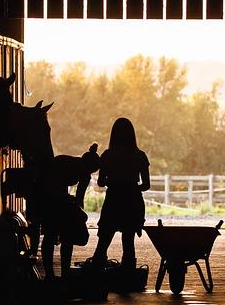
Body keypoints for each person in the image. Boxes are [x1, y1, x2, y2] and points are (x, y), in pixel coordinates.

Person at [90, 117, 150, 271]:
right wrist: (132, 187)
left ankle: (97, 271)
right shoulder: (140, 156)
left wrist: (114, 183)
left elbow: (101, 182)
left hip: (114, 199)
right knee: (128, 240)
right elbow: (146, 185)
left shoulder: (108, 155)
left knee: (104, 239)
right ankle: (128, 274)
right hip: (132, 200)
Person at [36, 143, 100, 280]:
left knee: (68, 235)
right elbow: (49, 186)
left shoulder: (85, 175)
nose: (87, 173)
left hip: (60, 199)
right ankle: (49, 275)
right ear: (82, 162)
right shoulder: (63, 162)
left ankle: (65, 273)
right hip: (47, 197)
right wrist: (66, 201)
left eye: (89, 172)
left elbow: (79, 199)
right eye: (87, 169)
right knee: (50, 234)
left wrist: (78, 214)